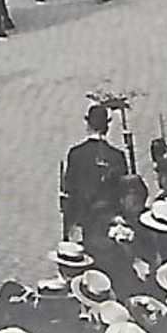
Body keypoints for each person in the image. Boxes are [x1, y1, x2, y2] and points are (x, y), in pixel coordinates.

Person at [61, 104, 130, 246]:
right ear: (107, 127)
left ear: (88, 125)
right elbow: (124, 191)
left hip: (84, 221)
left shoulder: (76, 153)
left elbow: (69, 189)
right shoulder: (117, 156)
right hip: (110, 222)